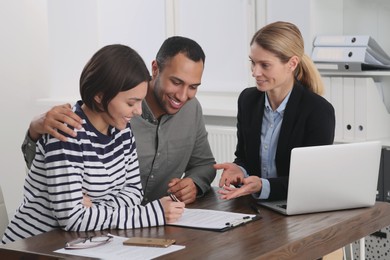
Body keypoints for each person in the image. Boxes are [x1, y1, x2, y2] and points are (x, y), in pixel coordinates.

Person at [2, 44, 185, 244]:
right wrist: (151, 214)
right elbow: (73, 218)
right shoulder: (66, 131)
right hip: (32, 247)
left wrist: (94, 210)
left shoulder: (122, 130)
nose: (139, 111)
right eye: (131, 103)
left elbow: (133, 192)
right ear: (100, 96)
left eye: (140, 102)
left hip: (80, 243)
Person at [21, 36, 216, 205]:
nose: (183, 96)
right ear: (155, 69)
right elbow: (52, 168)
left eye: (193, 87)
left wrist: (194, 184)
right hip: (100, 225)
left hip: (149, 222)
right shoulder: (115, 114)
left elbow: (204, 165)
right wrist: (35, 131)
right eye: (176, 82)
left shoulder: (192, 109)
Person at [214, 21, 335, 201]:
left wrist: (264, 186)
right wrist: (239, 169)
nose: (255, 72)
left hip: (297, 207)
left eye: (265, 65)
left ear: (292, 63)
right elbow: (243, 157)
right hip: (255, 206)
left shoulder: (318, 111)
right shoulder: (247, 100)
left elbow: (312, 181)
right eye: (253, 63)